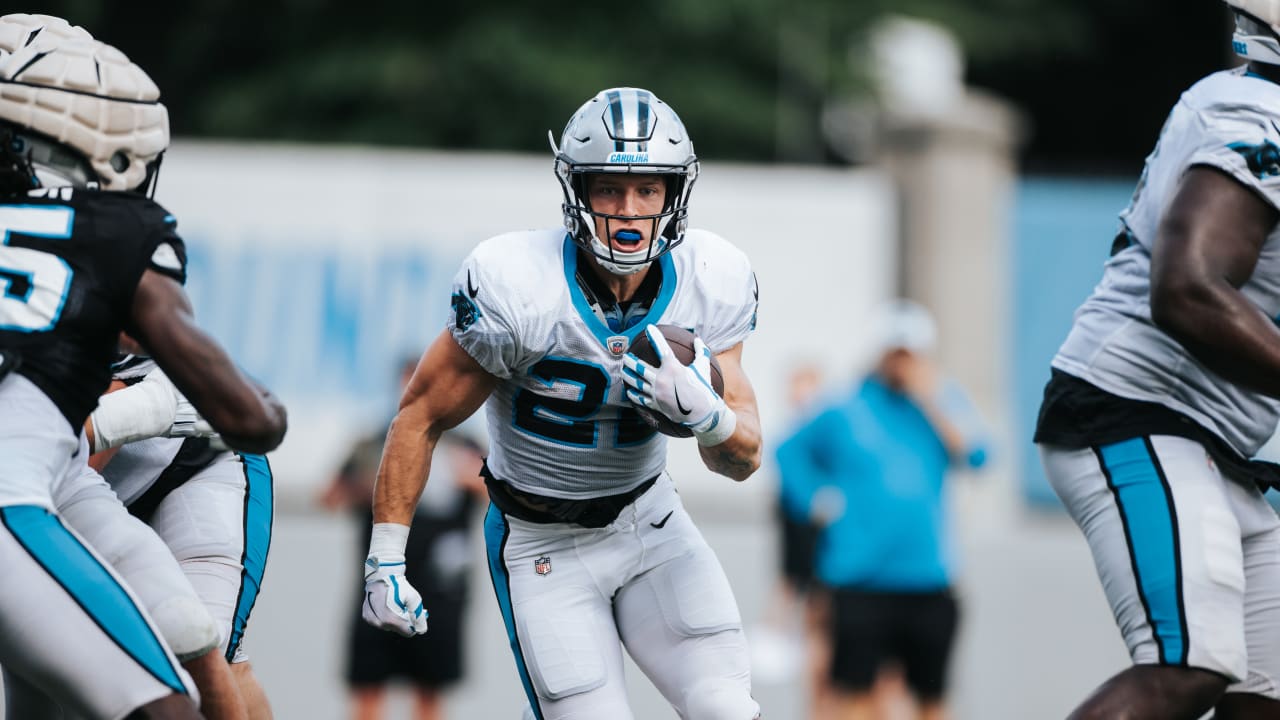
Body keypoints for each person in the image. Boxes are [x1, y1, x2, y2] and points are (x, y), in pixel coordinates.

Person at [361, 87, 764, 720]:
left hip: (652, 525)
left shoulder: (712, 279)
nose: (628, 210)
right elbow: (421, 416)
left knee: (726, 709)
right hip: (540, 544)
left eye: (648, 190)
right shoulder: (517, 284)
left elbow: (743, 458)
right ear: (575, 190)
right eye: (608, 188)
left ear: (673, 196)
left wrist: (707, 418)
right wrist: (385, 558)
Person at [0, 13, 286, 720]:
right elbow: (256, 417)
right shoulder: (117, 233)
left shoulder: (89, 239)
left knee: (193, 639)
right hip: (29, 480)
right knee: (158, 698)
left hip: (111, 462)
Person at [1033, 4, 1280, 718]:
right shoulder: (1254, 111)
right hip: (1139, 412)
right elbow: (1189, 289)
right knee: (1189, 663)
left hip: (1218, 442)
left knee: (1264, 696)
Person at [777, 300, 988, 720]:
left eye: (909, 353)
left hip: (928, 578)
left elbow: (978, 456)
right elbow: (789, 452)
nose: (901, 362)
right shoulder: (845, 406)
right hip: (860, 579)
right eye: (894, 351)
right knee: (853, 695)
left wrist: (931, 399)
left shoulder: (942, 403)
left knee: (932, 698)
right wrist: (816, 500)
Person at [319, 358, 485, 720]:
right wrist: (370, 488)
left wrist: (470, 478)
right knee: (368, 685)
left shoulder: (465, 444)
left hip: (440, 590)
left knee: (430, 689)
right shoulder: (371, 444)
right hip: (378, 583)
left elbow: (501, 496)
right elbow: (329, 497)